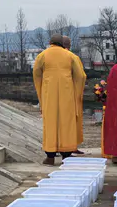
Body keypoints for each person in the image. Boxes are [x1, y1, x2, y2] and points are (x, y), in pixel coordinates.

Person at [32, 34, 83, 165]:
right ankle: (66, 155)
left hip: (49, 95)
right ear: (62, 43)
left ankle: (50, 156)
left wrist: (41, 92)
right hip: (67, 95)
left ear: (50, 42)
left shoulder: (42, 55)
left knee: (50, 123)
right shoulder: (70, 56)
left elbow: (36, 74)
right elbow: (80, 76)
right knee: (66, 122)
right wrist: (77, 94)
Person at [62, 35, 87, 155]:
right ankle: (71, 146)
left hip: (55, 95)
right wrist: (79, 91)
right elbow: (81, 76)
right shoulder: (72, 57)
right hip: (71, 94)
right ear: (69, 45)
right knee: (72, 121)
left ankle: (57, 147)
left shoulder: (49, 56)